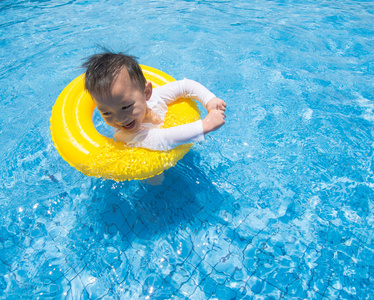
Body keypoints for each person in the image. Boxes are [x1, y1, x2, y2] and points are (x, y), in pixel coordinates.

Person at [83, 52, 226, 151]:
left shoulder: (155, 97)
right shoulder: (127, 135)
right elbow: (162, 139)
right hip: (148, 163)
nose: (119, 119)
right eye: (106, 112)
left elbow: (184, 86)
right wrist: (206, 125)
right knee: (156, 181)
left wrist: (209, 99)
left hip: (177, 147)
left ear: (146, 93)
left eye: (126, 107)